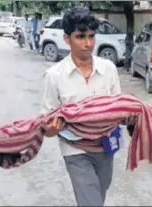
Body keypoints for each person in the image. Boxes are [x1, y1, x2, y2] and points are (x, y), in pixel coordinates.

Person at [40, 7, 121, 206]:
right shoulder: (54, 75)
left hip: (105, 146)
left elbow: (119, 108)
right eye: (81, 37)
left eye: (92, 36)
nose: (88, 44)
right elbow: (46, 124)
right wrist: (51, 129)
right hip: (74, 149)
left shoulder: (108, 69)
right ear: (67, 38)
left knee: (98, 196)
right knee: (90, 202)